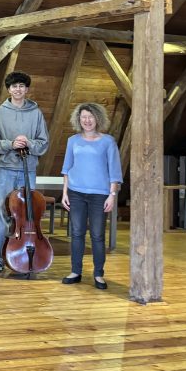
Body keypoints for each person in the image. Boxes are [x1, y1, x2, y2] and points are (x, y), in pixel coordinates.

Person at [0, 71, 49, 273]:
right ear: (9, 89)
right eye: (14, 86)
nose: (18, 89)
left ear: (27, 89)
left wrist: (28, 143)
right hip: (4, 170)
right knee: (1, 214)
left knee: (26, 216)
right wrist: (10, 144)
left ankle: (23, 257)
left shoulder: (36, 113)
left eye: (22, 86)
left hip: (27, 170)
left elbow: (43, 143)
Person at [61, 102, 122, 290]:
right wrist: (64, 193)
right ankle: (75, 271)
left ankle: (98, 274)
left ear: (97, 118)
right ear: (78, 120)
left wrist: (112, 195)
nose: (87, 120)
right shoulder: (72, 141)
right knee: (77, 233)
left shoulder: (108, 142)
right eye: (84, 117)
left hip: (100, 195)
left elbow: (114, 171)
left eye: (90, 117)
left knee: (97, 235)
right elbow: (66, 169)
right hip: (76, 193)